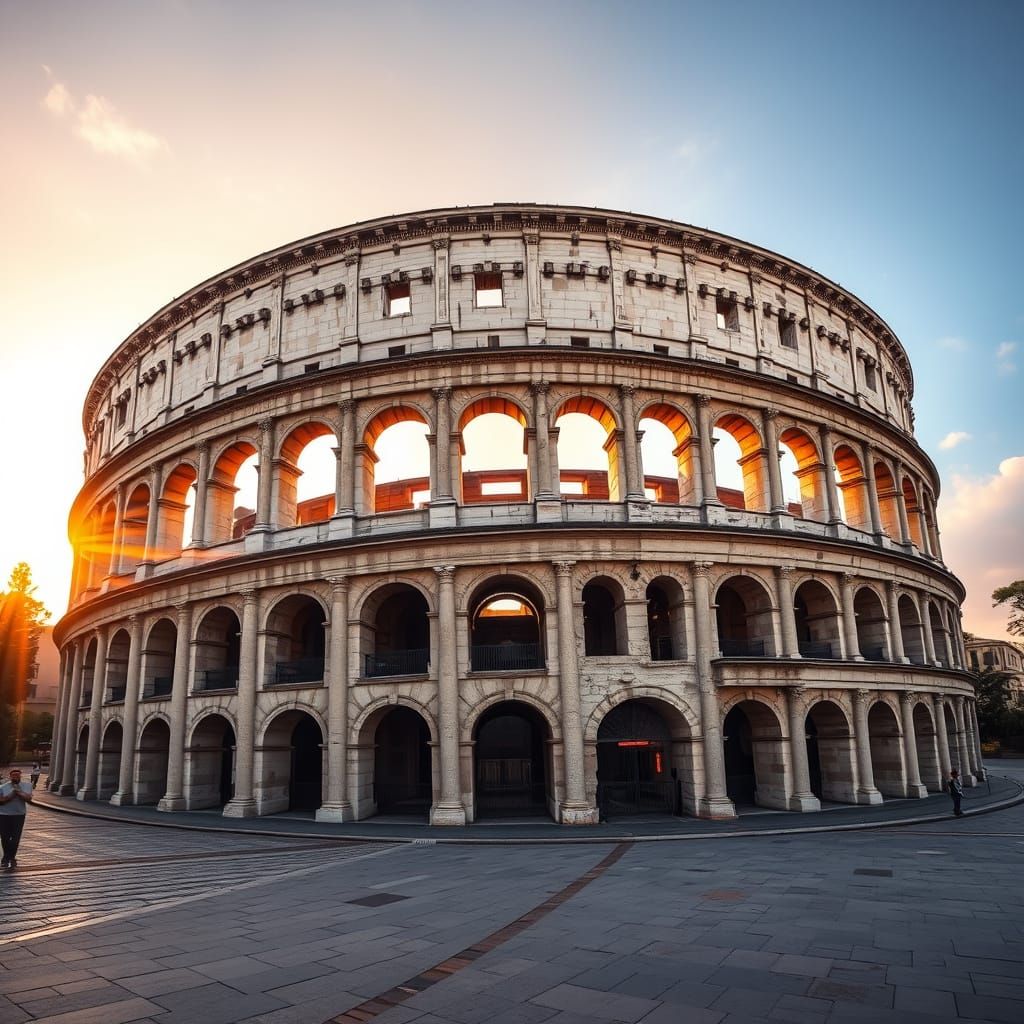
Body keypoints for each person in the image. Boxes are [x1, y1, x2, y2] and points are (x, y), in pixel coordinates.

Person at [0, 767, 33, 869]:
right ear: (10, 776)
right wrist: (14, 793)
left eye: (17, 775)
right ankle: (6, 856)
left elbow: (28, 799)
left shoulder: (27, 786)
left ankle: (11, 857)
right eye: (14, 775)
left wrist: (18, 792)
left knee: (15, 838)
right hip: (4, 815)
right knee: (5, 837)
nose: (16, 777)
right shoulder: (2, 787)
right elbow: (2, 801)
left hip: (19, 815)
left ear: (20, 776)